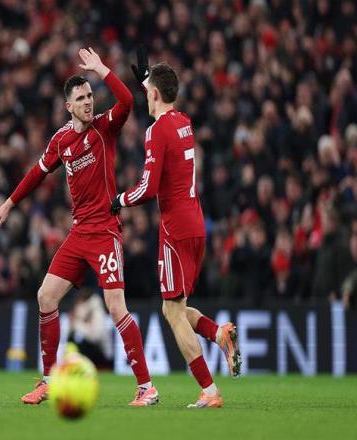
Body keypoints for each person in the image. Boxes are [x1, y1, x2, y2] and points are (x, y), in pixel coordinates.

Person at [0, 48, 157, 406]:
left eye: (90, 95)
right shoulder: (61, 140)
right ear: (68, 106)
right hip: (79, 234)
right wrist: (8, 204)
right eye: (81, 98)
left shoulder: (104, 127)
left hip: (105, 231)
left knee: (115, 306)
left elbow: (127, 101)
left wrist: (102, 69)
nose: (88, 102)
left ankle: (146, 387)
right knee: (45, 297)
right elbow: (37, 174)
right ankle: (49, 381)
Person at [112, 54, 241, 408]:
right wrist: (147, 82)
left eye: (148, 92)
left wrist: (118, 200)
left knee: (171, 311)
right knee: (177, 307)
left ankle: (209, 391)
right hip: (196, 225)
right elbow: (162, 105)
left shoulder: (156, 131)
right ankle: (219, 332)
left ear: (153, 94)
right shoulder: (184, 122)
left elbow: (148, 188)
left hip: (174, 230)